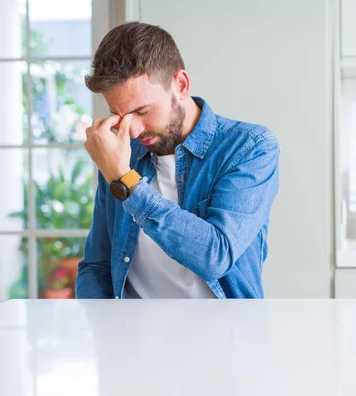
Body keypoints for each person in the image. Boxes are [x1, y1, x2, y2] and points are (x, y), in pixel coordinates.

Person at [76, 22, 280, 299]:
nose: (133, 130)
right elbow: (97, 265)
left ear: (180, 85)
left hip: (225, 336)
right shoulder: (121, 154)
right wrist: (100, 328)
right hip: (132, 337)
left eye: (142, 111)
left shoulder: (249, 148)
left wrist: (126, 180)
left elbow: (215, 256)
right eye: (119, 114)